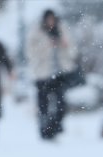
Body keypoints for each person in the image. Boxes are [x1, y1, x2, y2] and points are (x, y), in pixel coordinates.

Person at [27, 9, 77, 140]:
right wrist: (47, 45)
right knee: (43, 104)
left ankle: (57, 126)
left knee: (61, 103)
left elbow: (72, 50)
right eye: (48, 19)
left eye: (53, 19)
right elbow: (31, 53)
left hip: (60, 72)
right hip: (42, 74)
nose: (51, 22)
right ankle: (44, 128)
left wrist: (64, 44)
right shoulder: (36, 32)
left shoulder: (62, 30)